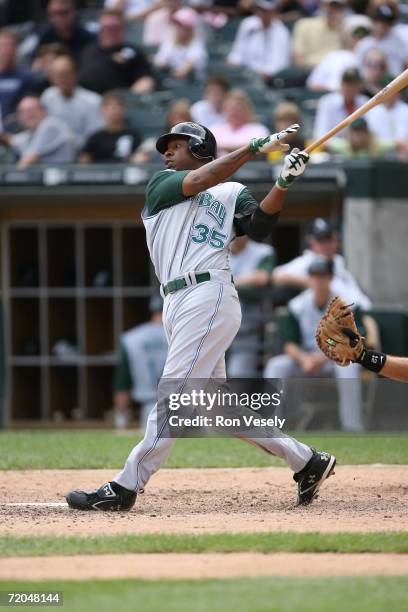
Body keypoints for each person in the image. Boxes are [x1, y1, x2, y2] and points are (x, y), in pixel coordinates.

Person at [65, 122, 336, 512]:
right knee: (214, 404)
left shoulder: (231, 192)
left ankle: (126, 485)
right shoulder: (162, 183)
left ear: (200, 147)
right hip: (176, 300)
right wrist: (250, 149)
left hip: (209, 292)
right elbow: (203, 177)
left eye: (177, 145)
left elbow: (259, 227)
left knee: (173, 393)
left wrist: (283, 185)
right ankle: (307, 461)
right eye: (167, 146)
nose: (167, 152)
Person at [265, 257, 364, 432]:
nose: (318, 280)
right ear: (309, 278)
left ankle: (353, 427)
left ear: (330, 278)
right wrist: (304, 359)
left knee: (348, 367)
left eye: (323, 275)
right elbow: (288, 342)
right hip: (306, 359)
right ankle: (270, 426)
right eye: (314, 275)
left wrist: (322, 358)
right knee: (276, 365)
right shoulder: (297, 304)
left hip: (334, 358)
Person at [272, 217, 372, 309]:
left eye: (328, 238)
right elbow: (276, 275)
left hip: (356, 313)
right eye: (320, 240)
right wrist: (312, 282)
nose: (325, 244)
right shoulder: (309, 260)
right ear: (311, 242)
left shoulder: (338, 261)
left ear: (335, 239)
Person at [113, 294, 167, 430]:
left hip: (149, 410)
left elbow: (123, 383)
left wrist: (121, 418)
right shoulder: (182, 335)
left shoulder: (131, 338)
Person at [228, 235, 275, 377]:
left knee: (238, 380)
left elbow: (262, 278)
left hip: (245, 330)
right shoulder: (213, 251)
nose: (235, 232)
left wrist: (221, 282)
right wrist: (243, 280)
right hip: (212, 329)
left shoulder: (263, 252)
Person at [79, 9, 155, 95]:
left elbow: (145, 81)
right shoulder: (87, 49)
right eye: (104, 28)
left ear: (122, 28)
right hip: (83, 99)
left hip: (114, 103)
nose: (108, 32)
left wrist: (130, 97)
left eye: (113, 28)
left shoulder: (133, 52)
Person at [41, 55, 103, 150]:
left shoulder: (93, 100)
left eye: (67, 74)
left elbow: (95, 136)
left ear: (75, 74)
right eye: (58, 75)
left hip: (82, 153)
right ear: (52, 78)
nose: (63, 79)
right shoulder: (47, 96)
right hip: (52, 151)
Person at [0, 95, 76, 167]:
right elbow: (12, 141)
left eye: (31, 110)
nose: (28, 115)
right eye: (23, 112)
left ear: (43, 111)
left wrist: (8, 175)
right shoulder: (32, 132)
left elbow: (28, 161)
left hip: (63, 176)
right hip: (44, 177)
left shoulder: (50, 125)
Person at [306, 14, 372, 92]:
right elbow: (312, 83)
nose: (359, 38)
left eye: (363, 34)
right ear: (346, 34)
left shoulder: (373, 57)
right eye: (356, 33)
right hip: (328, 96)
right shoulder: (332, 56)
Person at [227, 0, 291, 79]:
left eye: (267, 11)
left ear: (274, 11)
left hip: (269, 78)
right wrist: (234, 64)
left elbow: (280, 63)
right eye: (261, 10)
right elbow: (237, 53)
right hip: (245, 73)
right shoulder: (247, 24)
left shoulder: (281, 31)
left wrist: (262, 73)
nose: (264, 14)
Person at [80, 90, 141, 163]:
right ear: (103, 110)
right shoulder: (95, 137)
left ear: (125, 109)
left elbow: (140, 156)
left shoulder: (133, 135)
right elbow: (84, 161)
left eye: (119, 105)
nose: (115, 110)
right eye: (110, 106)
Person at [313, 68, 368, 140]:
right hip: (332, 148)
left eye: (352, 84)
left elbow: (371, 134)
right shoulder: (327, 102)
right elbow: (320, 134)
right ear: (341, 84)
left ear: (359, 86)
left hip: (359, 147)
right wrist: (341, 145)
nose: (349, 87)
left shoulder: (364, 102)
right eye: (346, 83)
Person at [154, 7, 207, 81]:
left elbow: (185, 69)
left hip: (192, 84)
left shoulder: (197, 45)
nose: (178, 28)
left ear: (190, 28)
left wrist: (170, 69)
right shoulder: (169, 42)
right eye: (177, 25)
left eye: (182, 26)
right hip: (170, 81)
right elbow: (159, 62)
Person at [211, 89, 269, 156]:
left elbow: (260, 149)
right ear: (225, 110)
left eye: (238, 109)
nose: (234, 113)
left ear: (247, 110)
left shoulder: (258, 129)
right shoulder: (215, 129)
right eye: (231, 109)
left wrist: (223, 148)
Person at [355, 4, 407, 77]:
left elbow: (405, 65)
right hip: (371, 84)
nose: (381, 26)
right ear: (373, 22)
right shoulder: (364, 44)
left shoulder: (397, 41)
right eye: (379, 22)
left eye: (386, 22)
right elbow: (359, 69)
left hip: (394, 82)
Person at [292, 0, 347, 68]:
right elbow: (298, 60)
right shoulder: (304, 25)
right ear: (323, 6)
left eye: (338, 7)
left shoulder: (347, 29)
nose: (333, 11)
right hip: (308, 71)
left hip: (335, 71)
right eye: (330, 6)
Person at [365, 75, 408, 160]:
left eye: (393, 91)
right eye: (387, 92)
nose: (390, 95)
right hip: (378, 157)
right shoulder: (372, 112)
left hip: (403, 157)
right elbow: (370, 140)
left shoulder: (406, 110)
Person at [0, 29, 35, 121]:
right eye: (3, 46)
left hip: (15, 126)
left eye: (11, 45)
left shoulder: (26, 77)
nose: (7, 49)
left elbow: (29, 107)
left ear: (17, 49)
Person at [327, 117, 392, 159]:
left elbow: (399, 143)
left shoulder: (377, 145)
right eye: (354, 132)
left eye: (360, 132)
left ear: (367, 133)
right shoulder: (345, 145)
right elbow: (324, 144)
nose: (357, 136)